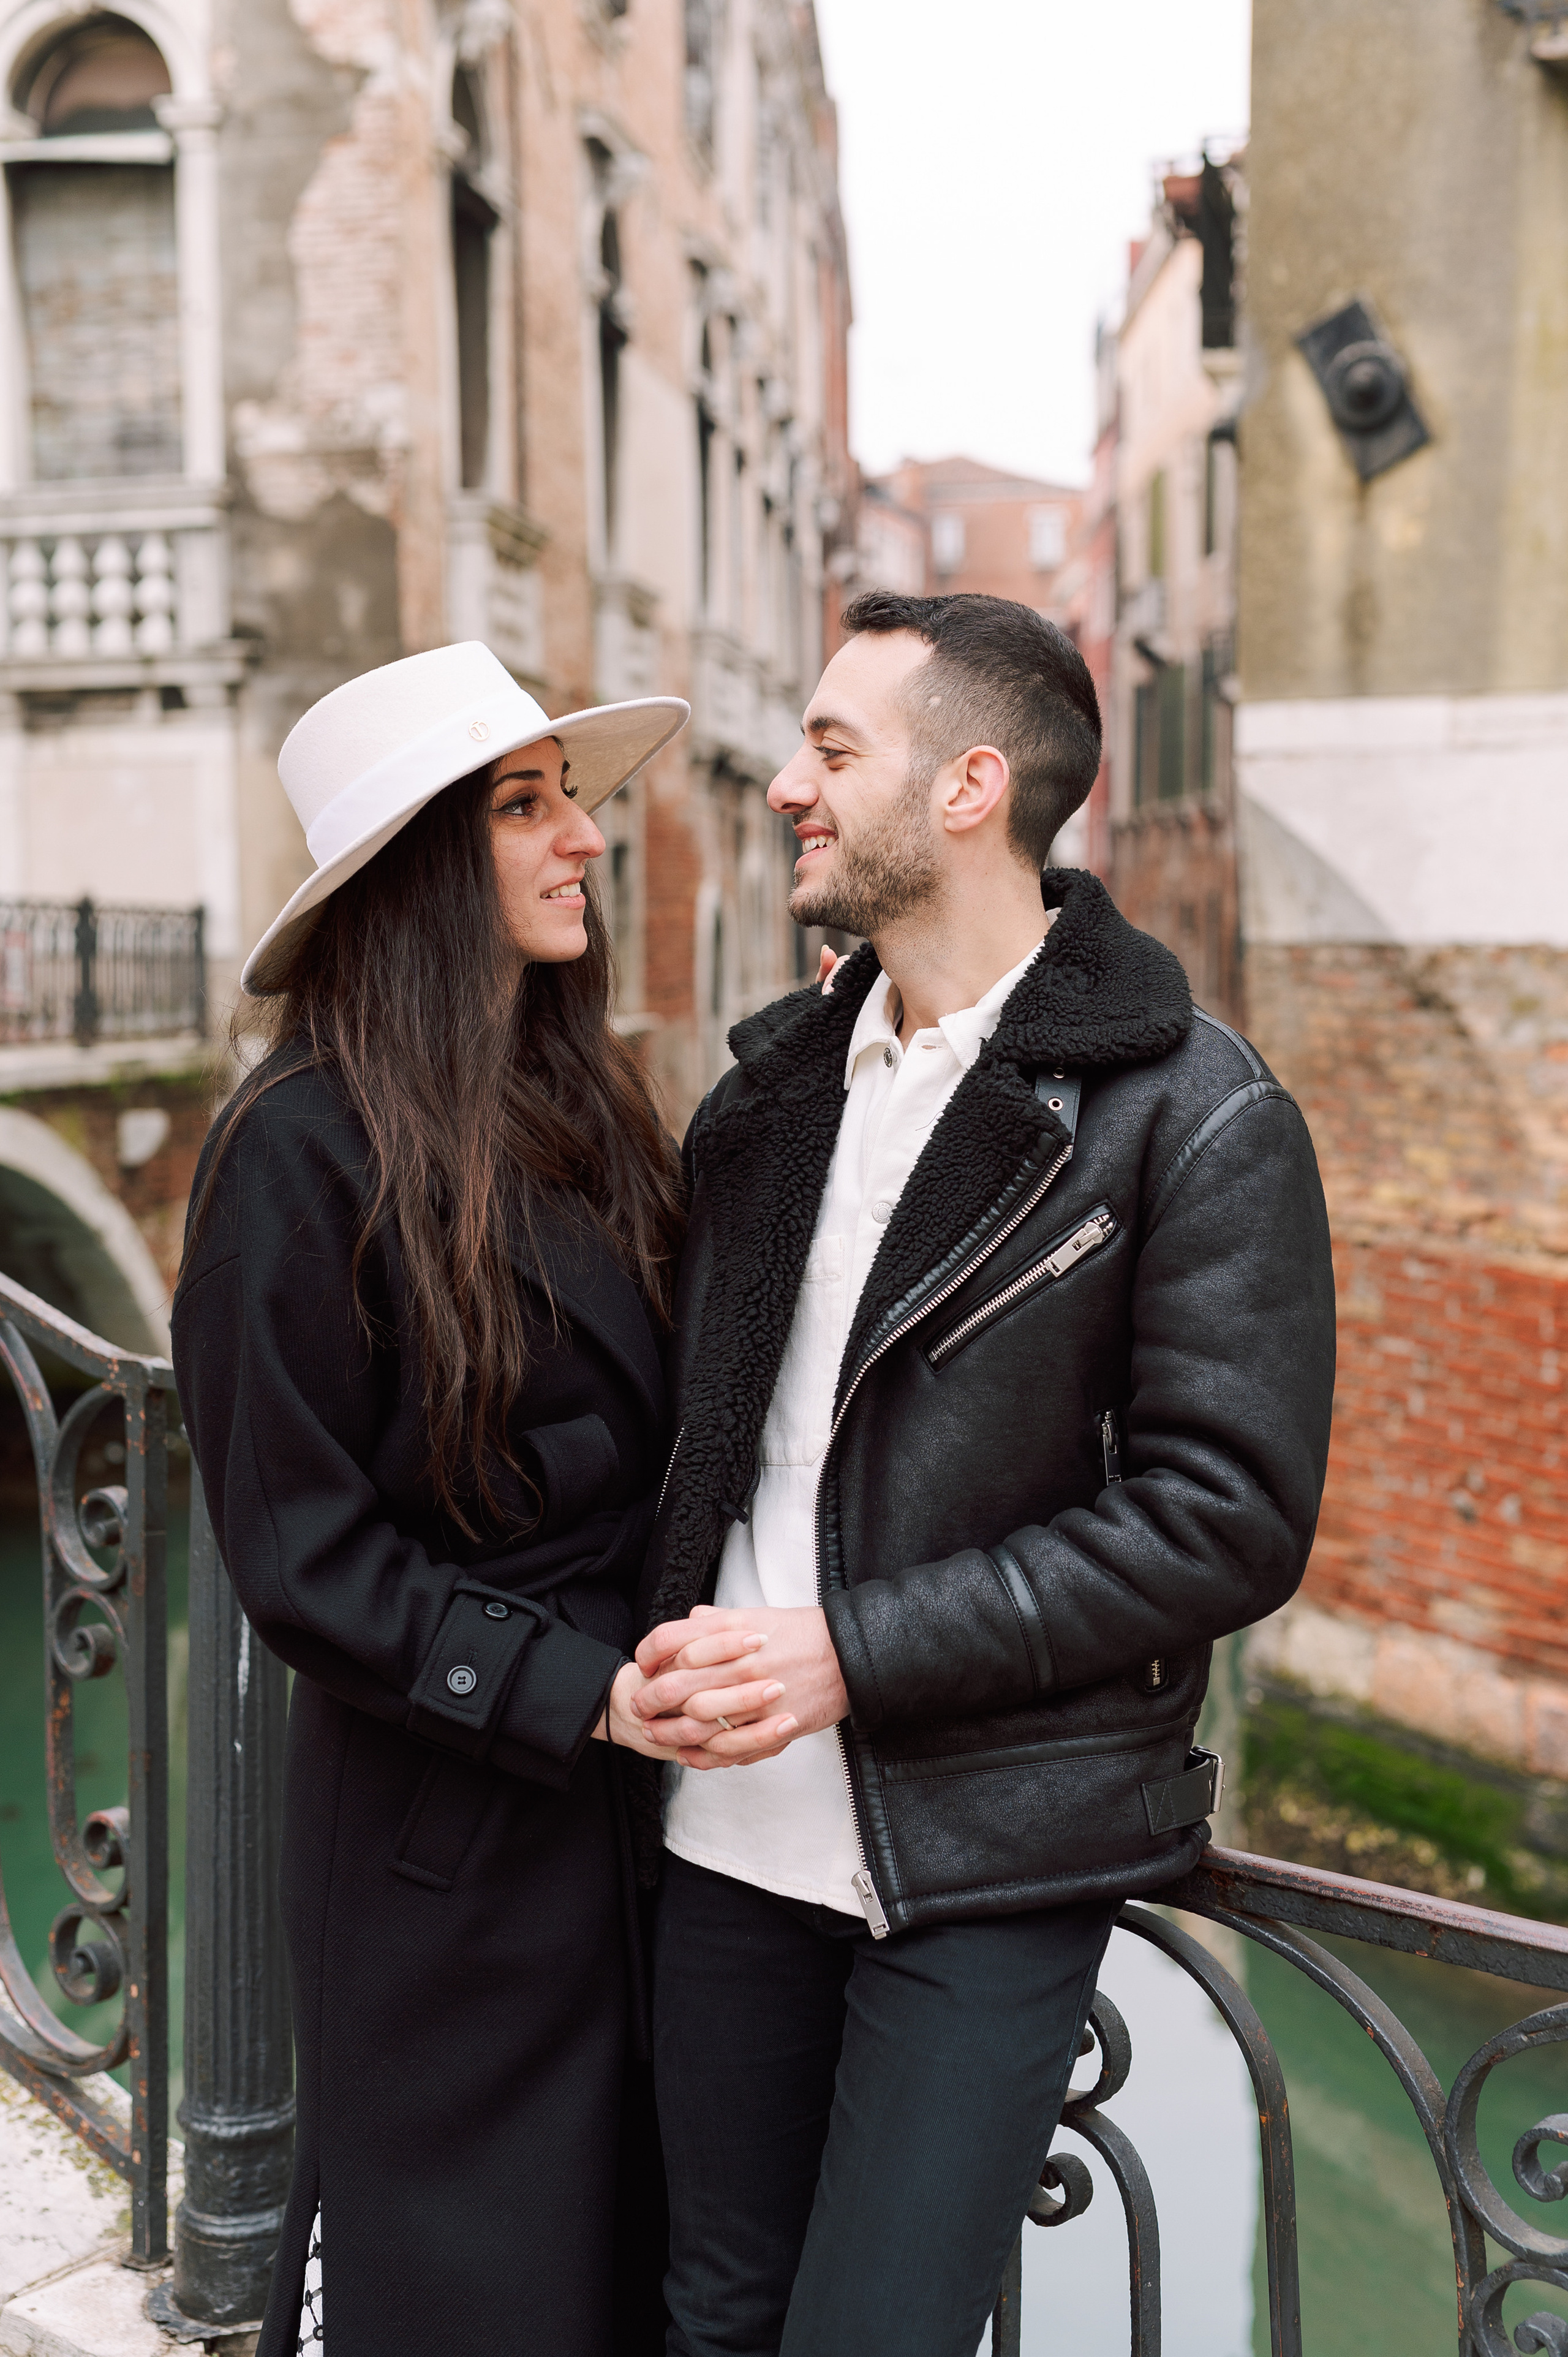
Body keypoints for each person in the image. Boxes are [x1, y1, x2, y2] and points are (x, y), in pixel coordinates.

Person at [625, 591, 1338, 2357]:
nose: (788, 782)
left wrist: (844, 1652)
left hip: (984, 1846)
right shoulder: (767, 1098)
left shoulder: (1196, 1113)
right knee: (710, 2319)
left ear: (967, 786)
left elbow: (1222, 1521)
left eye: (833, 750)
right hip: (714, 1839)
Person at [173, 643, 729, 2357]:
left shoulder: (582, 1105)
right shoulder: (294, 1151)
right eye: (523, 804)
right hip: (450, 1846)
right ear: (423, 861)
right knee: (477, 2303)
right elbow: (303, 1560)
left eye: (571, 796)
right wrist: (586, 1699)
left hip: (645, 1824)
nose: (581, 837)